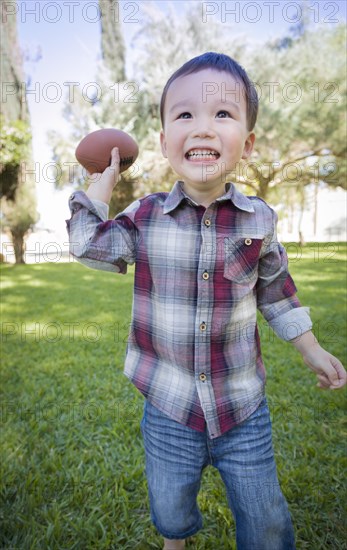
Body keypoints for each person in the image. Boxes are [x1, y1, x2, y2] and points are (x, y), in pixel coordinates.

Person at [66, 52, 346, 550]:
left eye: (222, 114)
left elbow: (277, 291)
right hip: (168, 404)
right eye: (185, 115)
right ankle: (176, 541)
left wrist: (310, 348)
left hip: (242, 407)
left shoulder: (259, 220)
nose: (202, 128)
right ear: (163, 142)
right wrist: (98, 189)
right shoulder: (146, 216)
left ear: (249, 142)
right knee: (171, 507)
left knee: (266, 521)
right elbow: (89, 246)